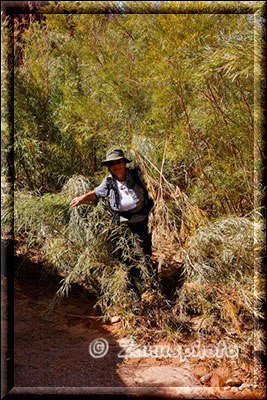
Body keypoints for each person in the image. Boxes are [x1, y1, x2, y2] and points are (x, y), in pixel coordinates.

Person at [69, 148, 156, 296]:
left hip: (141, 221)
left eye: (118, 162)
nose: (116, 166)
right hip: (122, 222)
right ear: (109, 167)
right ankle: (132, 290)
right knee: (125, 256)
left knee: (143, 253)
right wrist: (82, 198)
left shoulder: (136, 175)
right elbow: (97, 193)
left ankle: (152, 288)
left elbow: (154, 190)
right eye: (112, 164)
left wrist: (173, 195)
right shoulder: (109, 180)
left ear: (124, 163)